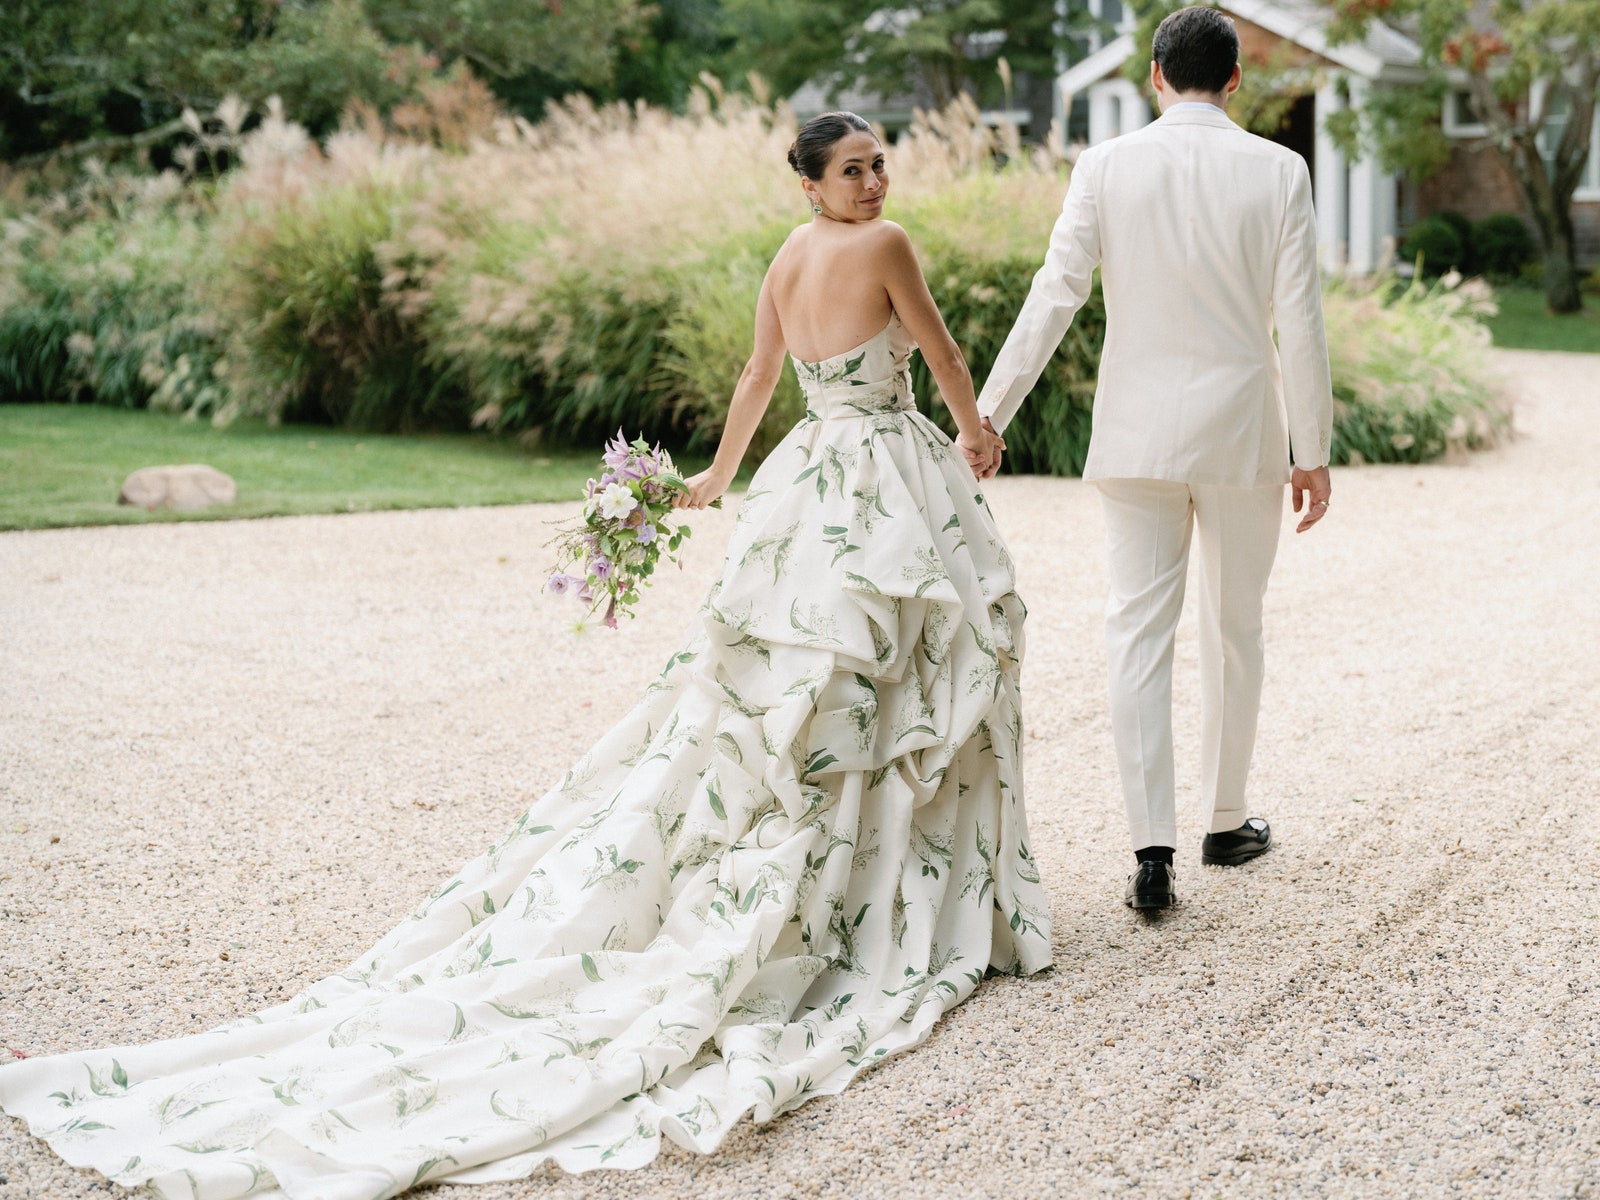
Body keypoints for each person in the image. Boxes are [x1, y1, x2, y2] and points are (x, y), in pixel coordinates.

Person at [0, 112, 1051, 1197]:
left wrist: (716, 478)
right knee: (908, 669)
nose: (875, 183)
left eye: (880, 165)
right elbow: (938, 348)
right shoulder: (885, 249)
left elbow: (755, 378)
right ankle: (893, 892)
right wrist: (973, 432)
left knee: (821, 679)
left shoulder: (787, 256)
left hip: (809, 483)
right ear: (809, 184)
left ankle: (850, 868)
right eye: (853, 169)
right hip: (884, 469)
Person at [977, 6, 1334, 912]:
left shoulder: (1105, 165)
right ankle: (1224, 819)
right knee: (1235, 626)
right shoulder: (1281, 169)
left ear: (1154, 75)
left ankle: (1152, 853)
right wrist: (1314, 448)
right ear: (1237, 78)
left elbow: (1053, 294)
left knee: (1135, 630)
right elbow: (1300, 319)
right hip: (1243, 433)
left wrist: (988, 412)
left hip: (1136, 434)